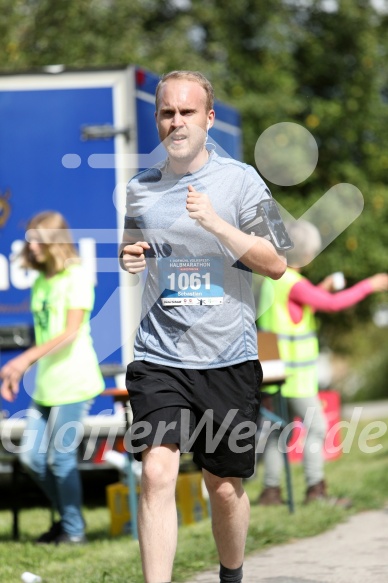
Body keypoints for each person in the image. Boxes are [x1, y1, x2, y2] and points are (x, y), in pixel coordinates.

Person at [120, 70, 287, 583]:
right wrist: (131, 256)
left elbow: (279, 261)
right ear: (157, 119)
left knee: (223, 484)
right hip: (160, 354)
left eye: (187, 112)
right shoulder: (140, 189)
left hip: (226, 358)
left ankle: (231, 574)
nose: (176, 122)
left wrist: (217, 223)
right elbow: (133, 246)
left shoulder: (241, 181)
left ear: (208, 119)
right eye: (167, 112)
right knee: (156, 472)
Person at [256, 219, 388, 506]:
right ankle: (316, 491)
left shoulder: (274, 281)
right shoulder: (293, 282)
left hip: (274, 374)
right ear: (307, 254)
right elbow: (331, 305)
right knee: (315, 429)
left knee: (279, 433)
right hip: (295, 379)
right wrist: (369, 285)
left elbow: (297, 309)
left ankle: (270, 492)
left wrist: (321, 288)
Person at [0, 211, 104, 544]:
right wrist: (22, 370)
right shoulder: (42, 281)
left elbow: (70, 333)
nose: (31, 247)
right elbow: (45, 334)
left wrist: (23, 360)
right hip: (46, 386)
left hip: (74, 383)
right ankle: (69, 519)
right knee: (31, 457)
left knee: (60, 459)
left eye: (37, 239)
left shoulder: (76, 276)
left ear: (55, 241)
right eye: (29, 240)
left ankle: (73, 532)